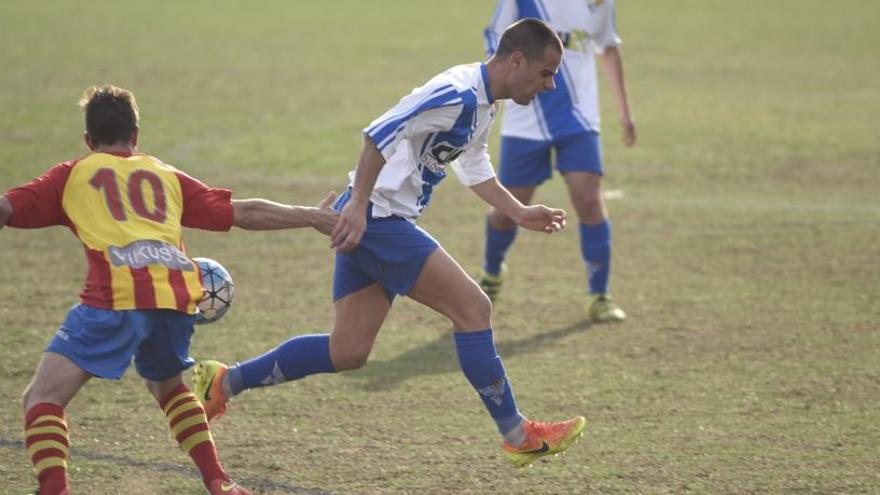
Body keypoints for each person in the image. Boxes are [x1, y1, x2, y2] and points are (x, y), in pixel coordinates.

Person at [193, 18, 586, 469]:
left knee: (348, 351)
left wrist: (517, 211)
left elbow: (473, 163)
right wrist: (358, 205)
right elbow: (377, 133)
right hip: (378, 218)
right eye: (545, 73)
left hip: (372, 216)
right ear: (517, 60)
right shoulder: (455, 93)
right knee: (473, 308)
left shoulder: (483, 103)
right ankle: (517, 434)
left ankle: (223, 382)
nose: (550, 84)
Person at [0, 85, 338, 495]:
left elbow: (7, 209)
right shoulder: (165, 175)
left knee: (42, 397)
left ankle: (54, 489)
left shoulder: (70, 175)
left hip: (116, 297)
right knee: (170, 387)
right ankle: (220, 483)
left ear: (88, 141)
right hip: (176, 298)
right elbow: (245, 212)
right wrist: (313, 216)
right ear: (136, 135)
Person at [480, 0, 637, 323]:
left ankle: (599, 294)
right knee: (509, 210)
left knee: (589, 198)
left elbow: (608, 48)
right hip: (525, 118)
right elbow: (495, 44)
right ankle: (492, 271)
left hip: (579, 119)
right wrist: (489, 97)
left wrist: (624, 111)